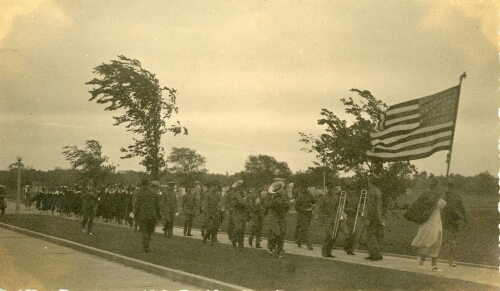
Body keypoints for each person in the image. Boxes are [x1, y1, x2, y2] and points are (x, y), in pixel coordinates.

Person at [411, 178, 447, 271]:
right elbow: (440, 205)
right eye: (438, 185)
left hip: (433, 219)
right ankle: (430, 263)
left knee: (434, 239)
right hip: (431, 220)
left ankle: (424, 261)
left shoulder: (429, 194)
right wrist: (442, 198)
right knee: (433, 239)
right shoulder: (432, 195)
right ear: (436, 185)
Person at [441, 181, 467, 267]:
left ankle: (450, 260)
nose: (448, 189)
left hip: (451, 221)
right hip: (448, 221)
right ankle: (449, 259)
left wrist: (464, 219)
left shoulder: (448, 196)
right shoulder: (446, 196)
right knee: (449, 239)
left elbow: (461, 208)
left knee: (450, 240)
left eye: (449, 187)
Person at [134, 177, 161, 253]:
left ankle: (146, 246)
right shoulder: (154, 192)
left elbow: (137, 205)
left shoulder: (139, 192)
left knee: (144, 231)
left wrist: (136, 214)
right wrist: (158, 215)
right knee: (149, 232)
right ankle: (147, 246)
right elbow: (157, 205)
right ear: (148, 183)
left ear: (142, 183)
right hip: (152, 215)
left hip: (143, 215)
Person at [265, 178, 290, 258]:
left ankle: (279, 252)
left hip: (282, 215)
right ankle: (271, 245)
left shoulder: (284, 194)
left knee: (282, 233)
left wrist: (286, 205)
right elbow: (267, 204)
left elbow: (288, 203)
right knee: (276, 233)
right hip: (273, 215)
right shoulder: (270, 193)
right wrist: (274, 202)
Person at [364, 173, 384, 261]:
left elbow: (371, 206)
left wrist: (368, 218)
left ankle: (375, 254)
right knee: (376, 235)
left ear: (370, 182)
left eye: (369, 181)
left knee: (370, 236)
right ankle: (374, 254)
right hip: (378, 215)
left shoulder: (371, 192)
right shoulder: (378, 191)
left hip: (372, 216)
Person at [318, 184, 340, 258]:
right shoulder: (323, 198)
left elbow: (337, 207)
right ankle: (324, 252)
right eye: (329, 188)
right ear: (327, 189)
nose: (330, 190)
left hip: (334, 218)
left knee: (334, 236)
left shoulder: (336, 197)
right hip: (326, 217)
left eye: (332, 188)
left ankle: (329, 252)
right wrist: (321, 220)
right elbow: (320, 209)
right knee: (329, 235)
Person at [294, 180, 315, 250]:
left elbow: (313, 202)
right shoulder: (300, 196)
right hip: (302, 215)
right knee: (306, 229)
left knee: (303, 229)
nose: (305, 189)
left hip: (309, 214)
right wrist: (304, 210)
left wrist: (313, 205)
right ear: (301, 188)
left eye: (306, 187)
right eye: (303, 188)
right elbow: (296, 206)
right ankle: (309, 244)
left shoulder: (310, 195)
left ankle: (298, 241)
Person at [228, 180, 247, 251]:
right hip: (237, 213)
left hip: (244, 214)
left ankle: (241, 246)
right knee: (238, 228)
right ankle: (233, 241)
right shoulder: (234, 195)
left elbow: (246, 204)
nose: (241, 189)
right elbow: (238, 203)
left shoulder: (245, 195)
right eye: (239, 187)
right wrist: (239, 198)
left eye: (241, 187)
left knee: (242, 231)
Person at [201, 181, 222, 246]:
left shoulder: (218, 195)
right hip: (209, 213)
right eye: (214, 186)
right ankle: (205, 237)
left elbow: (219, 203)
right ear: (211, 187)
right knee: (210, 227)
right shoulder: (207, 194)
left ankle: (213, 241)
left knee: (215, 227)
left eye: (216, 187)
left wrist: (219, 207)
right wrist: (208, 214)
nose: (216, 188)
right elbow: (205, 205)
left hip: (215, 213)